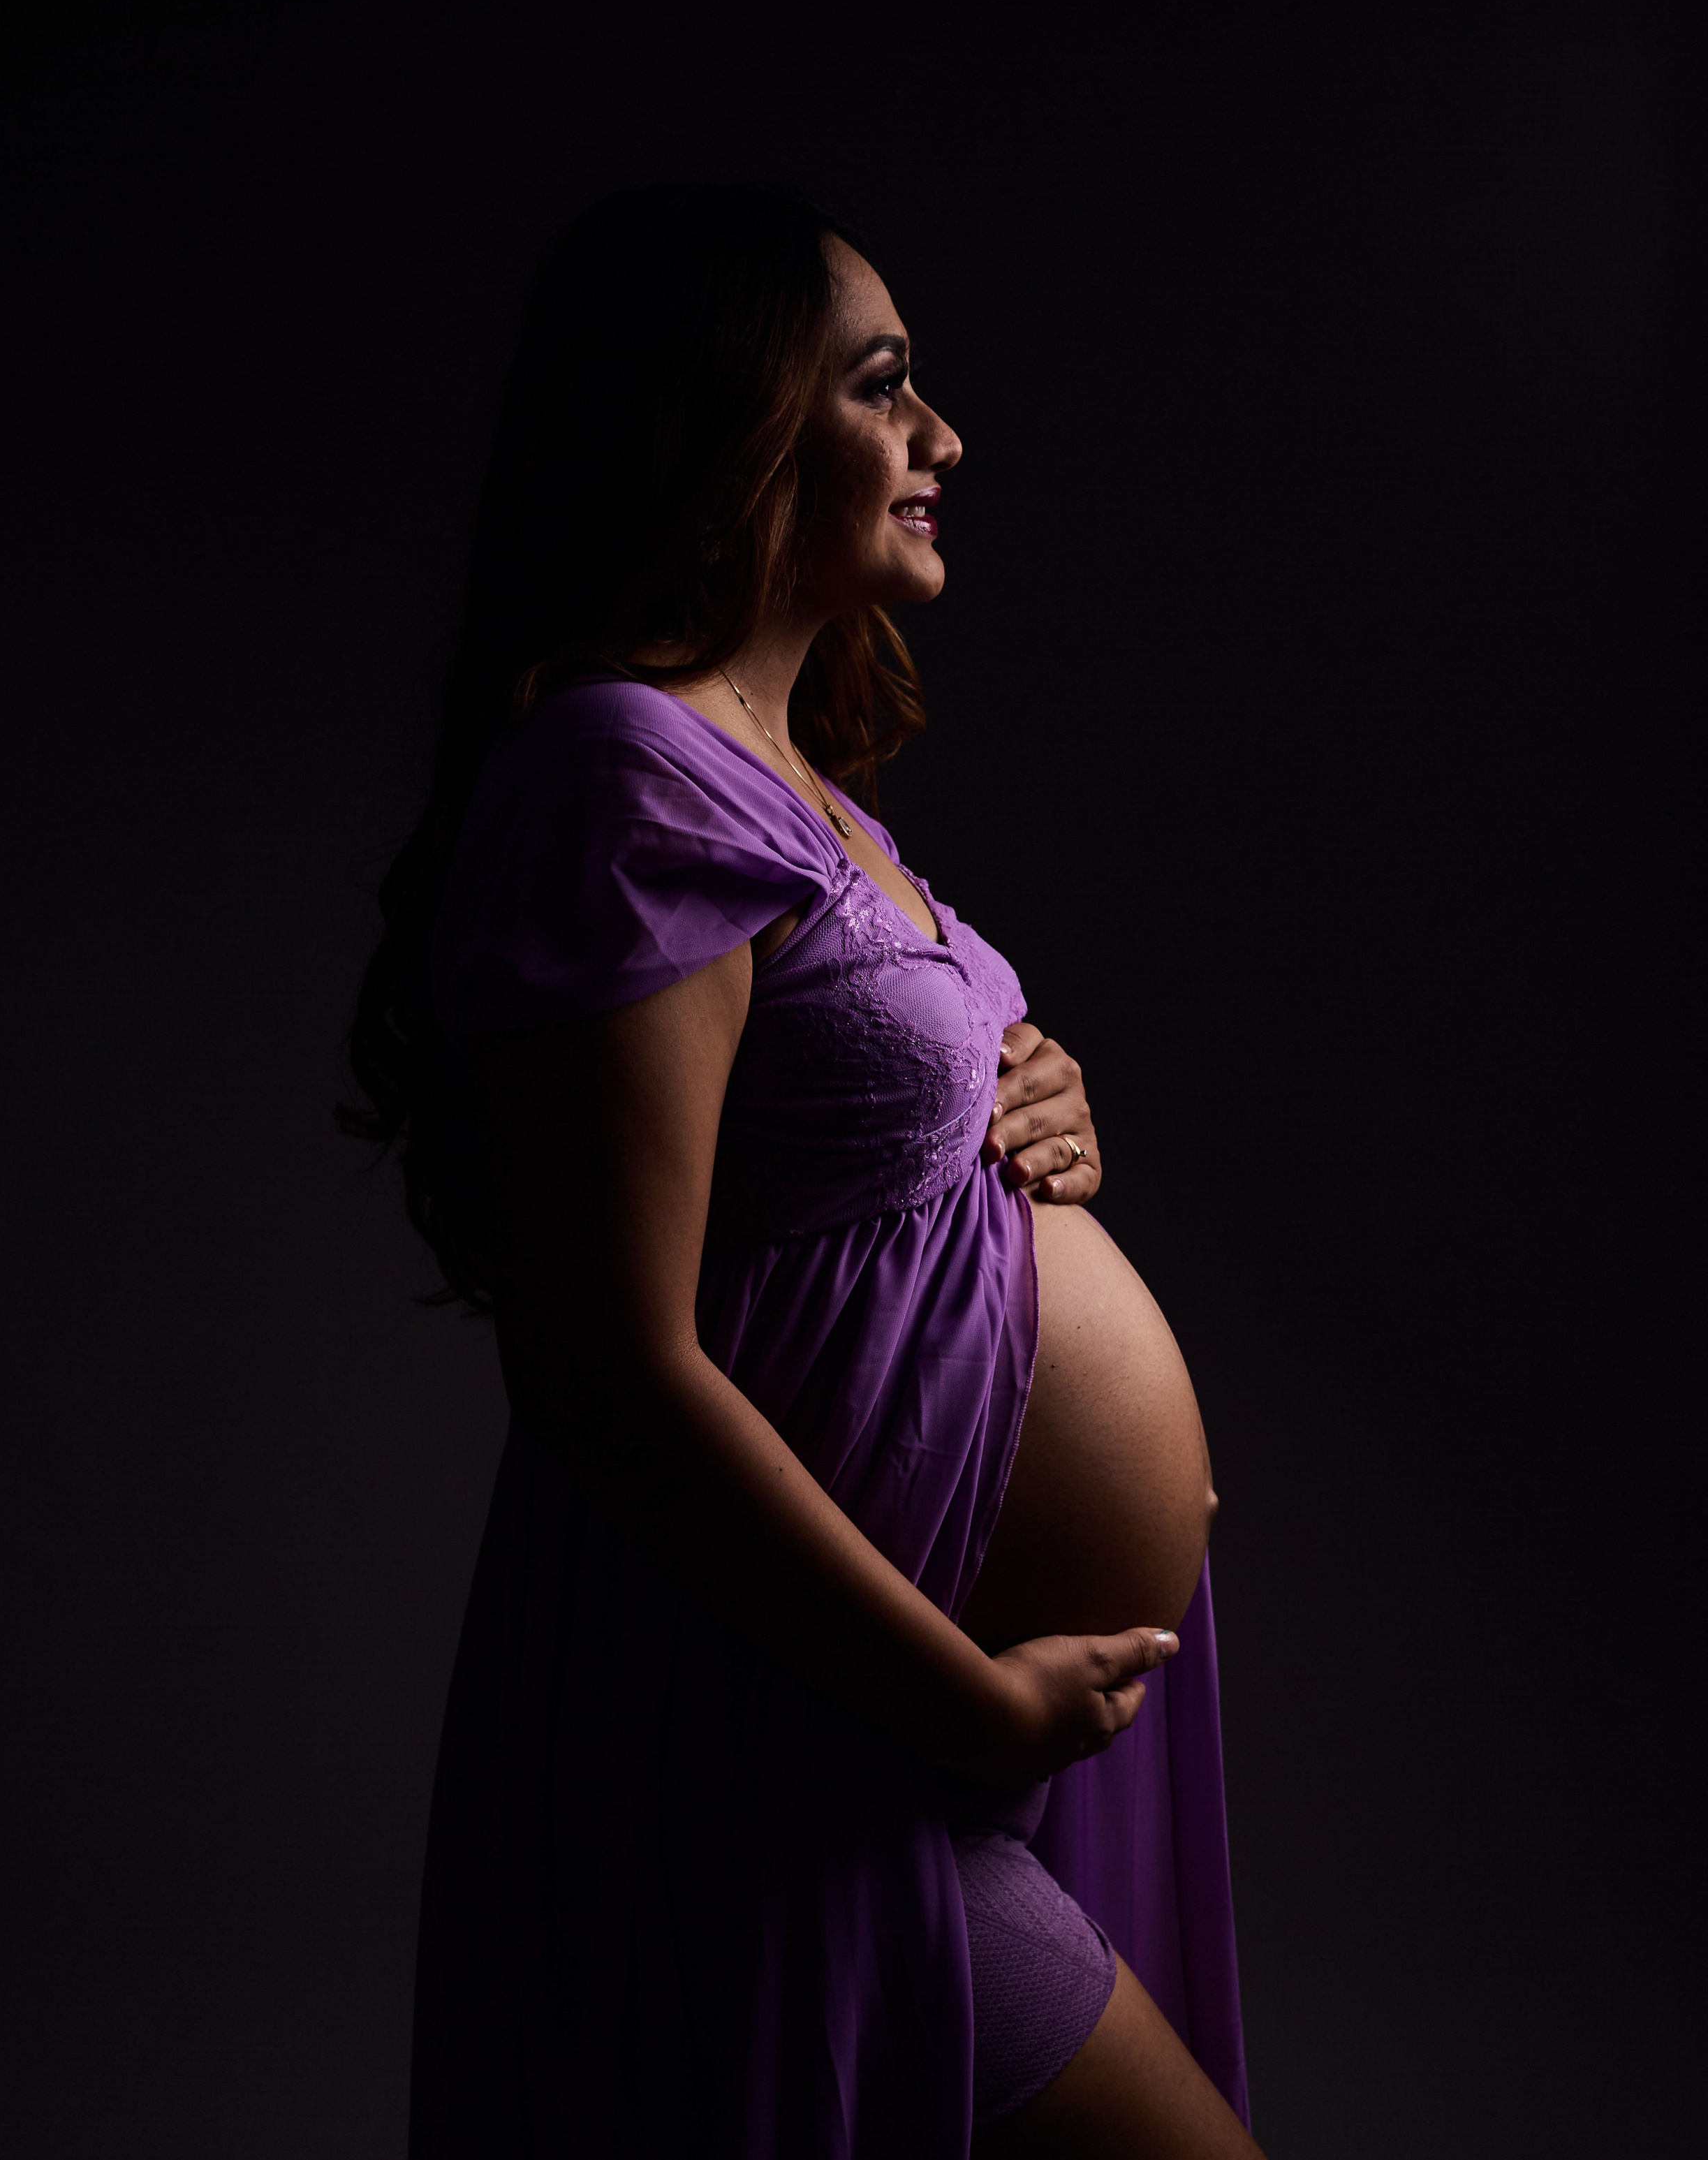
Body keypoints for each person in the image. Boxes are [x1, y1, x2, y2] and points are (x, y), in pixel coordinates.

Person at [344, 185, 1259, 2157]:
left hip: (893, 1746)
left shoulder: (802, 789)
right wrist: (957, 1696)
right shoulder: (622, 769)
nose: (944, 439)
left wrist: (1045, 1134)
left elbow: (858, 1157)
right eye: (885, 386)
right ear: (737, 425)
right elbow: (609, 1364)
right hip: (797, 1750)